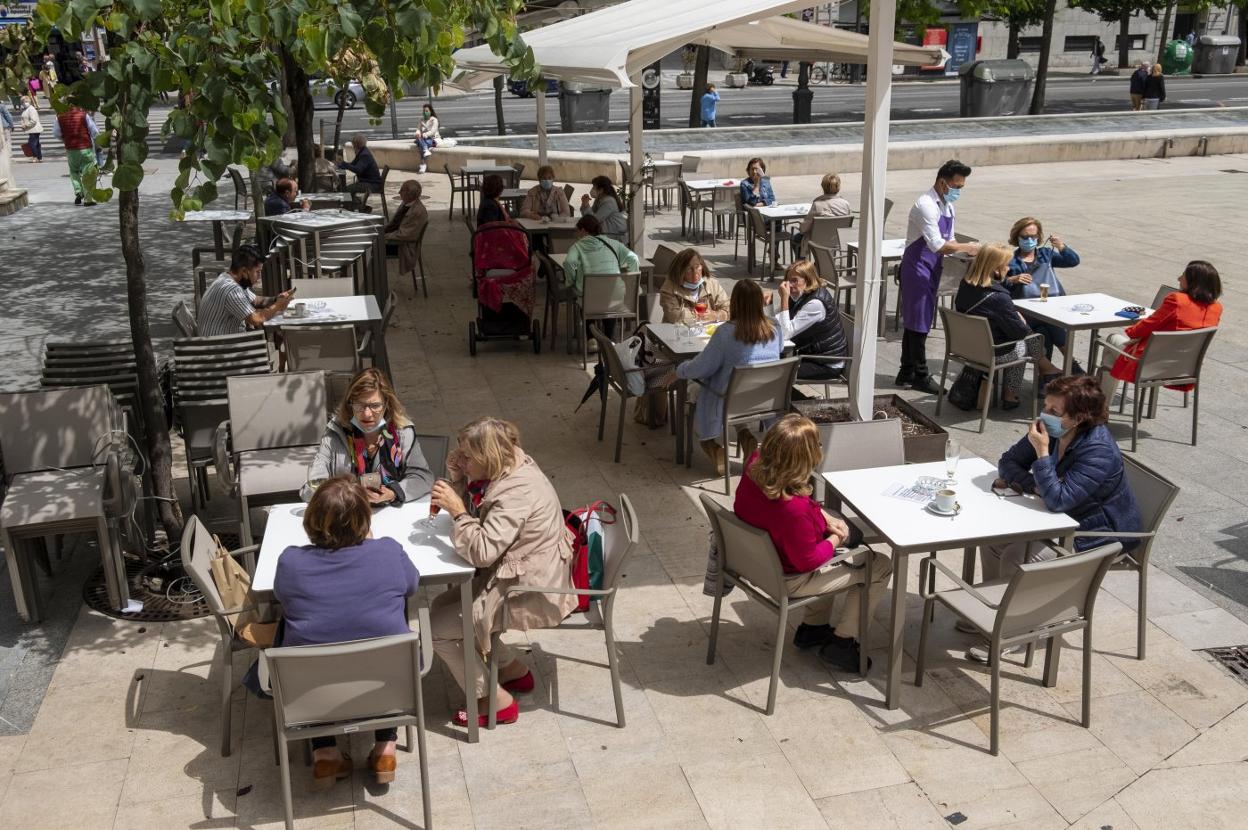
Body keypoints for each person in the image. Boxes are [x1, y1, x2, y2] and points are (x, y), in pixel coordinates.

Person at [976, 375, 1144, 661]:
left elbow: (1058, 500)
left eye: (1054, 411)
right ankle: (994, 615)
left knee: (1018, 554)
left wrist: (1042, 454)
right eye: (1046, 406)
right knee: (993, 538)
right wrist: (1034, 485)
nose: (1045, 415)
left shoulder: (1098, 451)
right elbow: (1008, 462)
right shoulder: (1053, 430)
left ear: (1079, 418)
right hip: (1064, 518)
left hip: (1098, 534)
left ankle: (1013, 631)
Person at [428, 417, 576, 727]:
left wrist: (456, 510)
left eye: (467, 457)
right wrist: (459, 479)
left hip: (528, 589)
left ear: (489, 457)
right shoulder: (510, 466)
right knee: (440, 607)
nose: (461, 460)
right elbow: (483, 519)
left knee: (437, 630)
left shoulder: (514, 494)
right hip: (519, 574)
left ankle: (494, 701)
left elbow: (482, 552)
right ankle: (512, 670)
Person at [272, 475, 418, 787]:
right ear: (364, 520)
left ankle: (325, 754)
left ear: (311, 521)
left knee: (302, 631)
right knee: (383, 632)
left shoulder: (290, 562)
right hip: (387, 682)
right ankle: (385, 748)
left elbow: (281, 597)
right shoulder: (388, 552)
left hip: (310, 689)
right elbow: (412, 585)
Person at [734, 414, 893, 669]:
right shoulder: (793, 511)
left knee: (837, 531)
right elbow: (808, 560)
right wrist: (835, 538)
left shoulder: (755, 465)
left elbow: (792, 509)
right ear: (802, 458)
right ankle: (842, 644)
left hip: (757, 565)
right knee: (880, 564)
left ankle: (814, 628)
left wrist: (821, 516)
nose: (820, 448)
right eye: (817, 445)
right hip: (788, 579)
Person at [665, 279, 784, 474]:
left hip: (729, 400)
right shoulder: (774, 328)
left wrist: (679, 370)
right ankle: (746, 437)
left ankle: (713, 447)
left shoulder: (725, 333)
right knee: (733, 389)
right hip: (762, 400)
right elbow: (779, 349)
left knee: (696, 389)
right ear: (760, 303)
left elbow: (701, 368)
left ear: (735, 302)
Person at [897, 159, 980, 394]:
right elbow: (938, 244)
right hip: (917, 269)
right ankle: (920, 375)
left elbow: (950, 240)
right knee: (919, 323)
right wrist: (968, 247)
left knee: (917, 321)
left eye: (962, 187)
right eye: (957, 187)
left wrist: (964, 249)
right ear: (942, 183)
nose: (958, 191)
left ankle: (906, 371)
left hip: (933, 267)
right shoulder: (926, 205)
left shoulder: (948, 206)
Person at [955, 244, 1064, 408]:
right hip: (990, 353)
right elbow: (1019, 333)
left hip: (968, 348)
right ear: (996, 269)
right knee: (1025, 342)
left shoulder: (966, 285)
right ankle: (1014, 392)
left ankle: (1045, 371)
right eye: (1006, 265)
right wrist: (1020, 319)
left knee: (1026, 339)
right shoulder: (998, 298)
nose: (1008, 268)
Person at [304, 368, 433, 505]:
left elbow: (423, 478)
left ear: (386, 405)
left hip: (391, 512)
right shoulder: (335, 432)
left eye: (375, 406)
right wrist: (347, 493)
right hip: (347, 512)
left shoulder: (403, 432)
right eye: (360, 405)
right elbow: (313, 485)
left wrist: (394, 492)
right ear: (350, 404)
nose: (367, 414)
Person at [1100, 260, 1223, 400]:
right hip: (1184, 368)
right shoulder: (1217, 308)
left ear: (1193, 282)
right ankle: (1099, 407)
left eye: (1183, 275)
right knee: (1112, 360)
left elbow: (1140, 329)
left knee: (1111, 340)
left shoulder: (1177, 300)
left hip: (1150, 365)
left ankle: (1099, 408)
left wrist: (1135, 334)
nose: (1178, 278)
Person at [1005, 216, 1082, 368]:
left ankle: (1047, 378)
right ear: (1017, 237)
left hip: (1047, 306)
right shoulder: (1010, 260)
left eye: (1033, 236)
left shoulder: (1045, 254)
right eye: (1025, 237)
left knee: (1047, 329)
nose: (1029, 240)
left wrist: (1062, 246)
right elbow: (999, 286)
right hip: (1025, 312)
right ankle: (1071, 365)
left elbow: (1073, 261)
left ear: (1039, 237)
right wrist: (1013, 279)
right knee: (1050, 324)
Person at [197, 244, 294, 337]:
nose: (259, 276)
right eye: (257, 272)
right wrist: (277, 306)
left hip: (223, 340)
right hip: (221, 346)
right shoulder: (232, 290)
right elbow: (257, 319)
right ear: (244, 271)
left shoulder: (227, 278)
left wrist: (276, 299)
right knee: (280, 335)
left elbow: (255, 300)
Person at [777, 260, 850, 383]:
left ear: (808, 280)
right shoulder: (800, 295)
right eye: (788, 280)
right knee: (771, 364)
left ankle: (800, 401)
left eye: (794, 280)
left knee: (777, 373)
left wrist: (784, 299)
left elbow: (785, 333)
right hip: (812, 354)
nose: (789, 285)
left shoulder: (815, 304)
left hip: (826, 363)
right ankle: (791, 400)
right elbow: (779, 320)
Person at [561, 214, 639, 301]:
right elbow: (634, 258)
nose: (577, 235)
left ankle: (583, 314)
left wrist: (571, 282)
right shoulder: (613, 243)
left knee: (576, 292)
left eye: (578, 232)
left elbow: (569, 262)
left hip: (590, 298)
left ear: (583, 230)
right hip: (615, 296)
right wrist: (633, 284)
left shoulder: (577, 246)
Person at [658, 248, 730, 326]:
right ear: (680, 271)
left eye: (697, 267)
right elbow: (674, 316)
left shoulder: (712, 284)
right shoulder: (670, 288)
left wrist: (716, 315)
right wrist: (700, 316)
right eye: (689, 269)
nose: (695, 273)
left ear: (702, 267)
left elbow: (729, 308)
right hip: (679, 333)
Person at [792, 172, 852, 258]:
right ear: (838, 187)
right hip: (837, 240)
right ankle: (822, 264)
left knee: (796, 238)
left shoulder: (818, 204)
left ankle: (802, 267)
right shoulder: (846, 204)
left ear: (823, 186)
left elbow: (804, 228)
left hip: (817, 241)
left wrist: (801, 227)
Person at [52, 105, 99, 205]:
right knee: (88, 173)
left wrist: (65, 138)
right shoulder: (83, 115)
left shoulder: (60, 117)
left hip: (71, 149)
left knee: (74, 171)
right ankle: (88, 199)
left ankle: (78, 192)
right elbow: (94, 131)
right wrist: (96, 141)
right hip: (85, 148)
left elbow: (56, 133)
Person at [384, 179, 429, 276]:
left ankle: (377, 284)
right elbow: (395, 223)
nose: (399, 192)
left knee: (371, 250)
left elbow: (404, 235)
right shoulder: (406, 203)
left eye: (402, 190)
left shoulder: (417, 212)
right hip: (395, 238)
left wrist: (383, 236)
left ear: (410, 194)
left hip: (403, 247)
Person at [338, 133, 383, 210]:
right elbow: (352, 164)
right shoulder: (362, 151)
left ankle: (353, 208)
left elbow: (358, 169)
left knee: (347, 190)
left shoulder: (364, 155)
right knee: (345, 190)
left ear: (355, 144)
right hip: (369, 182)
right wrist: (340, 165)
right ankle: (358, 206)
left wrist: (344, 163)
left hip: (372, 184)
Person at [578, 175, 628, 243]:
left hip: (615, 236)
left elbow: (593, 221)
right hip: (608, 234)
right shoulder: (599, 199)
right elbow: (589, 217)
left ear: (601, 190)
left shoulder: (609, 201)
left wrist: (586, 206)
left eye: (594, 187)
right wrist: (584, 204)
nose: (592, 189)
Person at [413, 103, 440, 173]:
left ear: (431, 111)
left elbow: (433, 132)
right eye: (424, 111)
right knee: (420, 139)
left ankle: (423, 164)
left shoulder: (434, 120)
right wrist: (418, 133)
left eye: (427, 111)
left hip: (432, 139)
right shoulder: (421, 119)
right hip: (423, 139)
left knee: (421, 144)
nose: (425, 112)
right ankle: (425, 150)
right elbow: (418, 129)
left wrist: (424, 135)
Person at [17, 96, 41, 163]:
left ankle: (35, 157)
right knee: (36, 143)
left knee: (32, 144)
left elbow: (33, 120)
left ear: (29, 102)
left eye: (26, 101)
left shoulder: (31, 109)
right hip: (32, 129)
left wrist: (25, 125)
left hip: (34, 129)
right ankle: (39, 157)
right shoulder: (26, 109)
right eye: (23, 102)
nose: (25, 103)